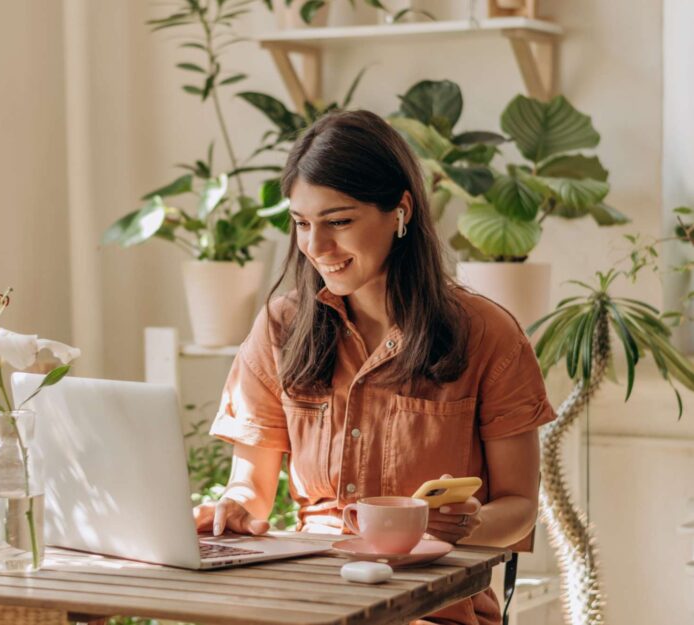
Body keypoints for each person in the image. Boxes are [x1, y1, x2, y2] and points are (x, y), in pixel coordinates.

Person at [192, 109, 556, 625]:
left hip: (433, 606)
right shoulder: (282, 326)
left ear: (400, 211)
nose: (316, 247)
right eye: (301, 223)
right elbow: (249, 488)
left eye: (339, 221)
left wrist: (464, 527)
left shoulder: (487, 334)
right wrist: (231, 508)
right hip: (307, 598)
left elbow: (520, 504)